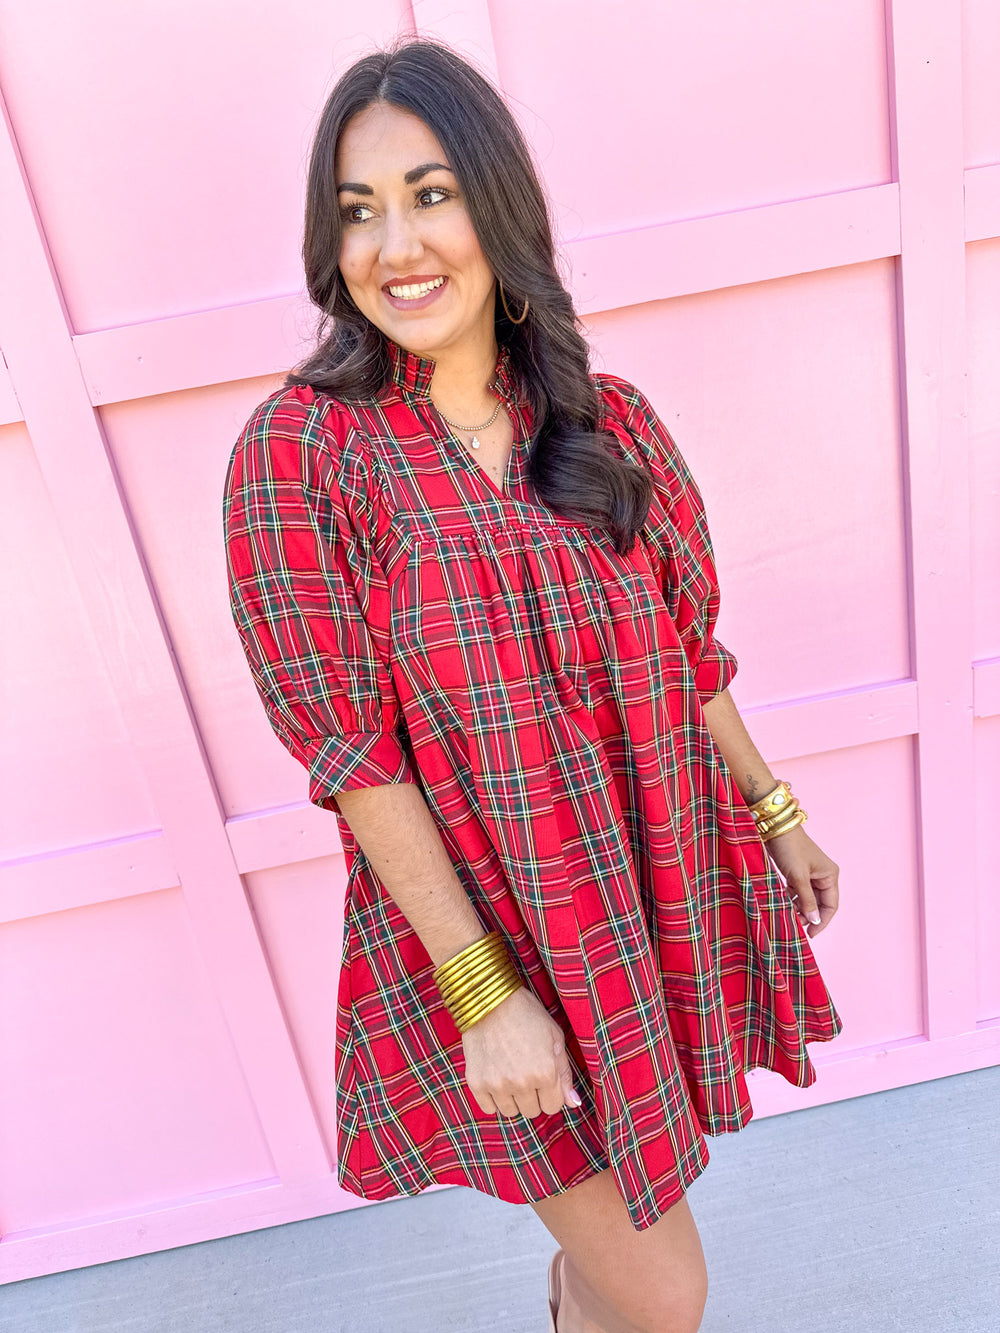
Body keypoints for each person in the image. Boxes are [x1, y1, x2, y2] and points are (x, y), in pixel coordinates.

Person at [223, 36, 843, 1333]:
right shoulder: (303, 454)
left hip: (643, 888)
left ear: (499, 204)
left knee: (627, 1266)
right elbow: (354, 758)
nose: (395, 242)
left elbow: (684, 652)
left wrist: (775, 808)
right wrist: (484, 993)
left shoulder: (606, 421)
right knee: (666, 1288)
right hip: (491, 934)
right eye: (357, 208)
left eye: (431, 192)